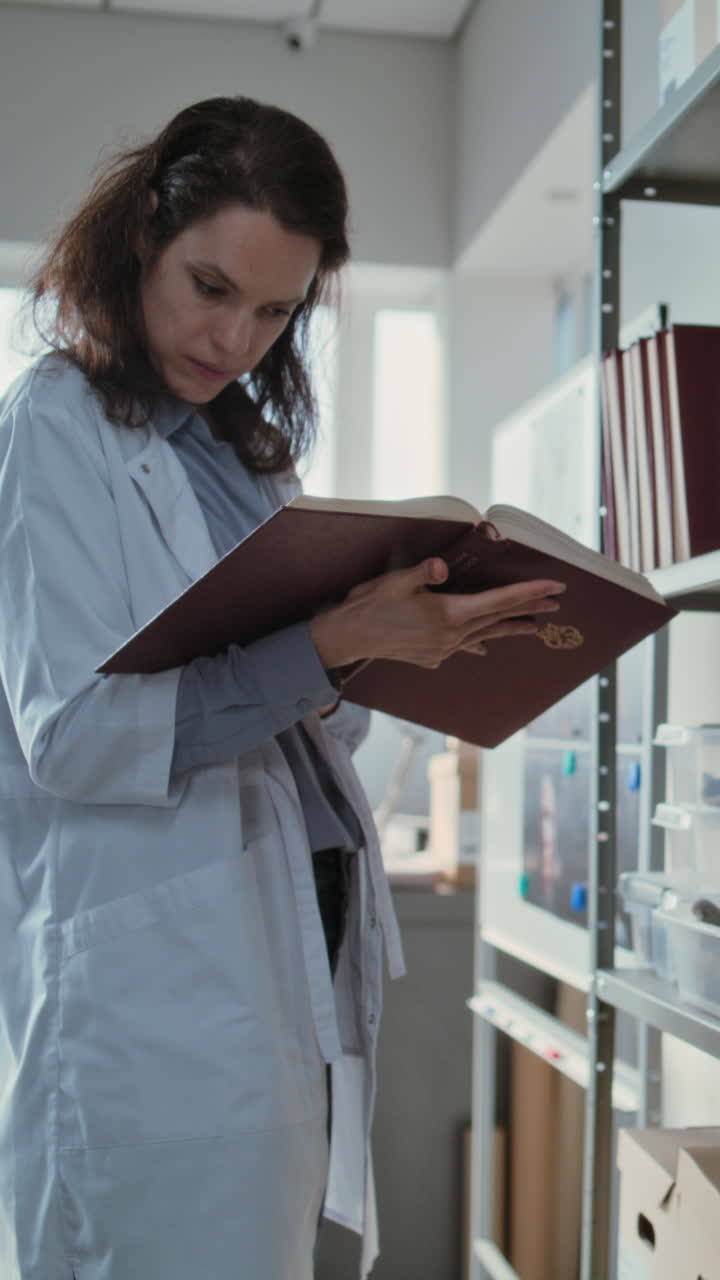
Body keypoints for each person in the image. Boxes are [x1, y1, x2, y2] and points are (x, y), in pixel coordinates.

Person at [0, 96, 565, 1280]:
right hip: (145, 1008)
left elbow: (300, 717)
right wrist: (325, 643)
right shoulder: (57, 422)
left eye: (274, 311)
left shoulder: (243, 456)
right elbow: (77, 734)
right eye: (211, 287)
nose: (234, 340)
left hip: (269, 979)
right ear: (144, 232)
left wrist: (383, 641)